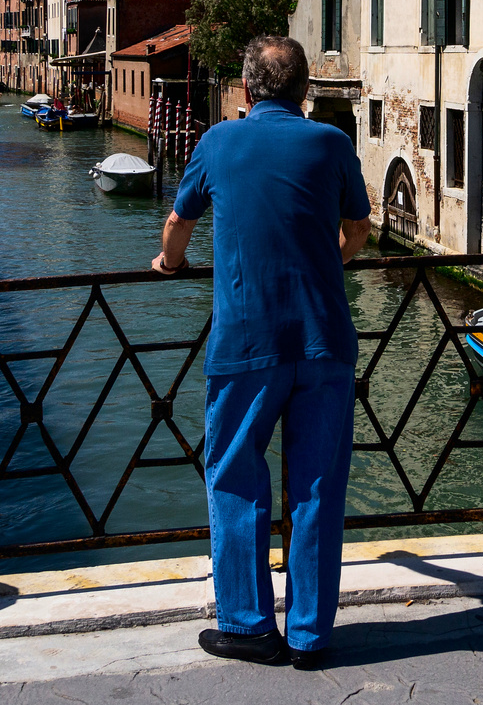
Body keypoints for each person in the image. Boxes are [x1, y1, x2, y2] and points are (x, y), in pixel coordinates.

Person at [153, 36, 371, 670]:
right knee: (318, 487)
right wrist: (323, 265)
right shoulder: (334, 143)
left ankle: (248, 626)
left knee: (236, 477)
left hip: (248, 343)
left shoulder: (219, 141)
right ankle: (308, 636)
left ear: (247, 90)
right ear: (304, 91)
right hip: (325, 338)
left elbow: (177, 225)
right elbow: (357, 229)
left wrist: (170, 265)